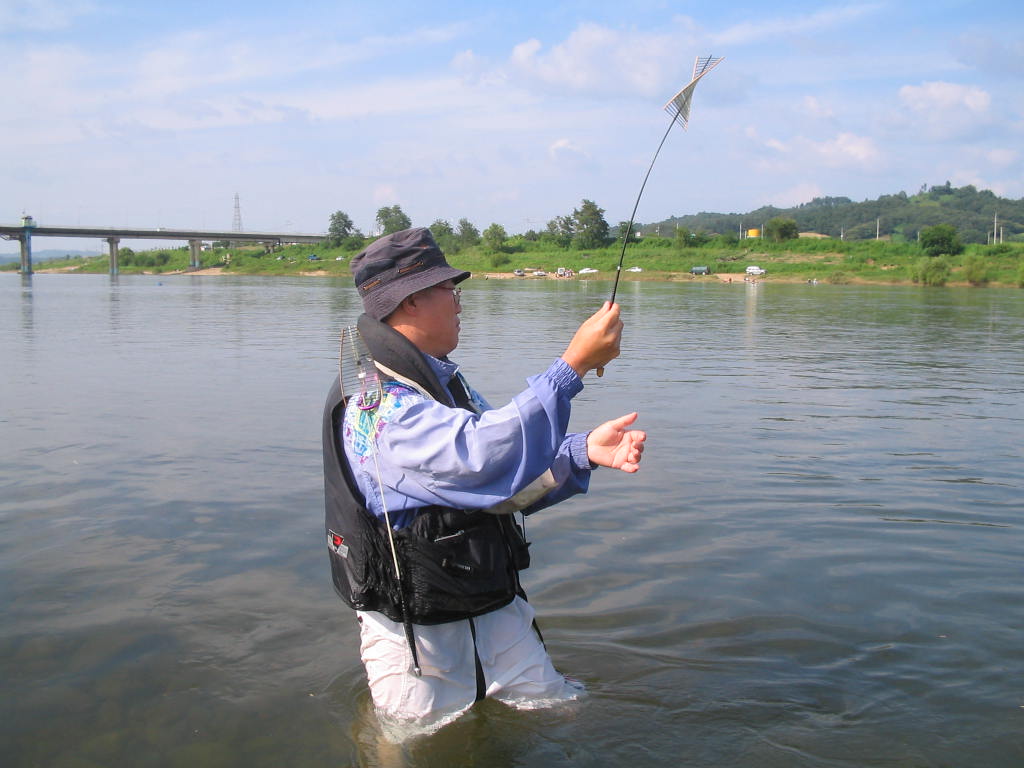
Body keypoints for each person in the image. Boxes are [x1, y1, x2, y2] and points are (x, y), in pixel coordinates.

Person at [322, 227, 646, 735]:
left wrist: (582, 452)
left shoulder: (439, 380)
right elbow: (477, 459)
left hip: (490, 603)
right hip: (416, 631)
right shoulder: (378, 406)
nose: (459, 302)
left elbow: (502, 475)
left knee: (559, 710)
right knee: (410, 740)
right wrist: (571, 368)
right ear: (409, 302)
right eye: (449, 289)